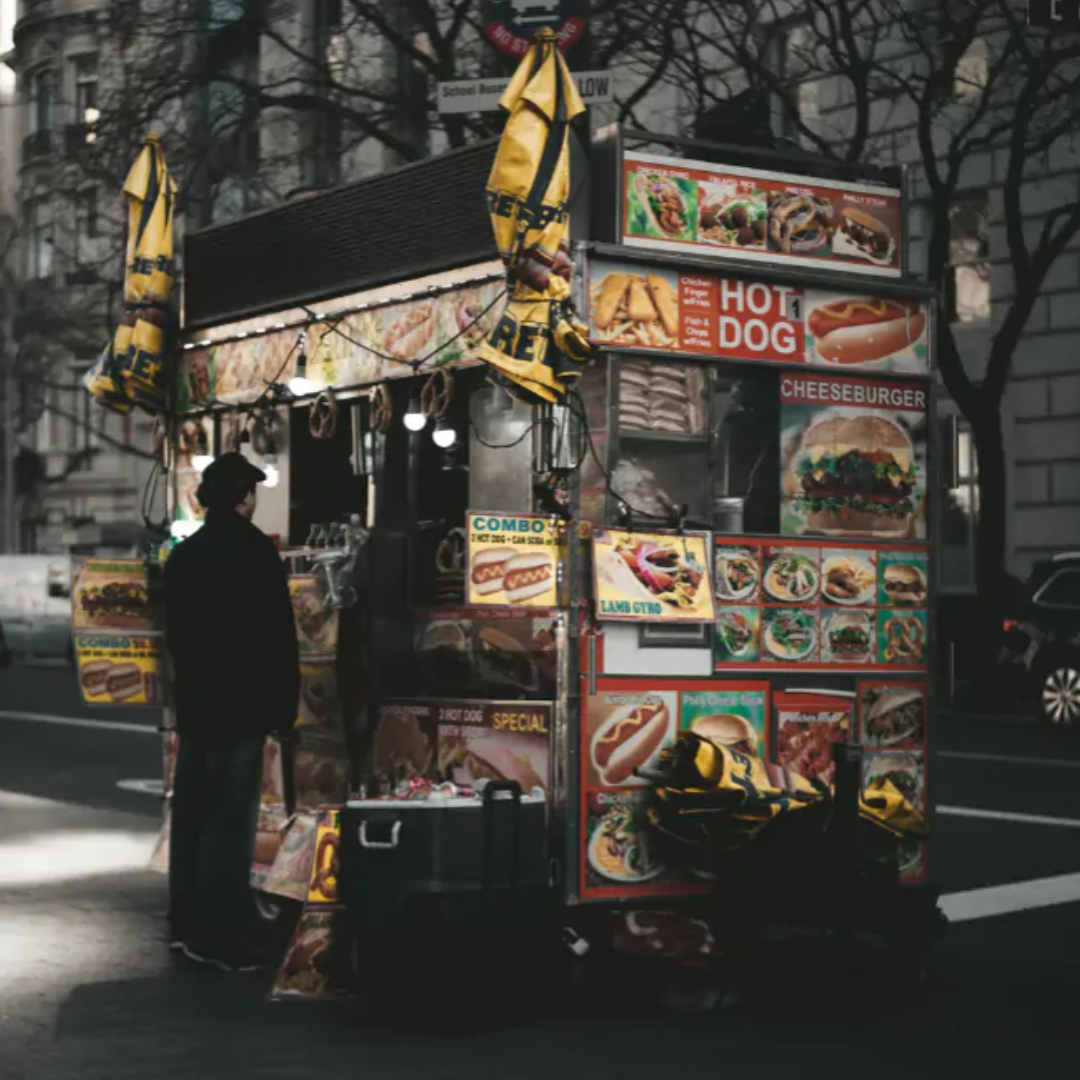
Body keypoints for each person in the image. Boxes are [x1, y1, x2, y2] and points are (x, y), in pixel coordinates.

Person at [164, 452, 299, 971]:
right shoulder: (254, 553)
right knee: (230, 822)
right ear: (246, 498)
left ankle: (185, 923)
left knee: (193, 815)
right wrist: (284, 710)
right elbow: (278, 638)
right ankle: (221, 937)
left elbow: (175, 636)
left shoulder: (186, 554)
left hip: (197, 705)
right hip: (242, 707)